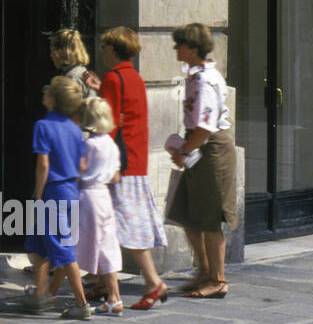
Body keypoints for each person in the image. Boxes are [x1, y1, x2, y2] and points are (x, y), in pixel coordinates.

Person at [98, 26, 169, 309]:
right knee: (116, 223)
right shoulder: (135, 78)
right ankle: (102, 281)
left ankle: (153, 282)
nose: (102, 51)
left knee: (124, 224)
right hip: (135, 160)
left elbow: (107, 123)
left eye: (105, 47)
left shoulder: (113, 79)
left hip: (118, 163)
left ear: (114, 49)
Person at [165, 23, 236, 299]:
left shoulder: (205, 80)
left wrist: (183, 151)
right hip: (197, 147)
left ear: (193, 49)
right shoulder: (196, 75)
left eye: (180, 44)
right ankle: (204, 271)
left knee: (208, 219)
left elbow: (205, 127)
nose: (175, 49)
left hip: (209, 149)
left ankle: (218, 280)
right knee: (189, 215)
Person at [21, 76, 94, 319]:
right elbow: (82, 165)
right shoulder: (74, 128)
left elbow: (43, 164)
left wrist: (39, 194)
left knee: (64, 250)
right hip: (71, 190)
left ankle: (81, 303)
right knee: (42, 245)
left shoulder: (43, 126)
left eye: (48, 91)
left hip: (52, 191)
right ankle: (39, 295)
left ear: (52, 99)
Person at [77, 97, 123, 314]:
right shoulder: (111, 145)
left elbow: (79, 170)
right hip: (104, 195)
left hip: (88, 195)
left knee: (76, 244)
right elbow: (115, 176)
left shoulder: (88, 145)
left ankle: (55, 290)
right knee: (107, 247)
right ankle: (114, 297)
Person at [49, 28, 97, 98]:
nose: (51, 55)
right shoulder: (81, 71)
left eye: (52, 50)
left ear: (61, 52)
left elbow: (70, 107)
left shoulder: (72, 78)